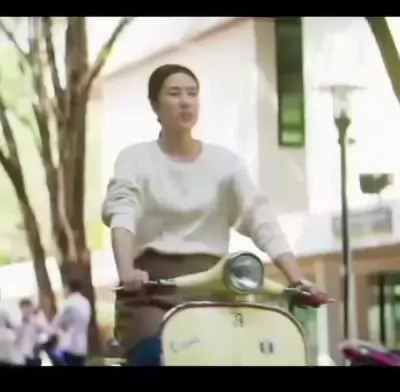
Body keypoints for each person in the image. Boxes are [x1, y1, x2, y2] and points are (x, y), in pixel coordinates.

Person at [101, 64, 329, 366]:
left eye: (192, 93)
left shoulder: (225, 163)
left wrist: (297, 279)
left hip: (215, 289)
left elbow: (261, 220)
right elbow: (123, 212)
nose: (185, 101)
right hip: (150, 291)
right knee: (157, 356)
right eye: (174, 93)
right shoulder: (135, 159)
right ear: (155, 105)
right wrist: (127, 271)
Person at [51, 279, 91, 366]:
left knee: (53, 354)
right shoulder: (85, 302)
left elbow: (57, 323)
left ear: (68, 289)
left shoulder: (68, 303)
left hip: (69, 346)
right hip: (82, 346)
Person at [17, 298, 51, 366]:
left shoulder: (37, 321)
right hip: (23, 356)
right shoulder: (20, 323)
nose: (26, 311)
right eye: (23, 309)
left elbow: (48, 331)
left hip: (34, 356)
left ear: (31, 308)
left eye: (27, 308)